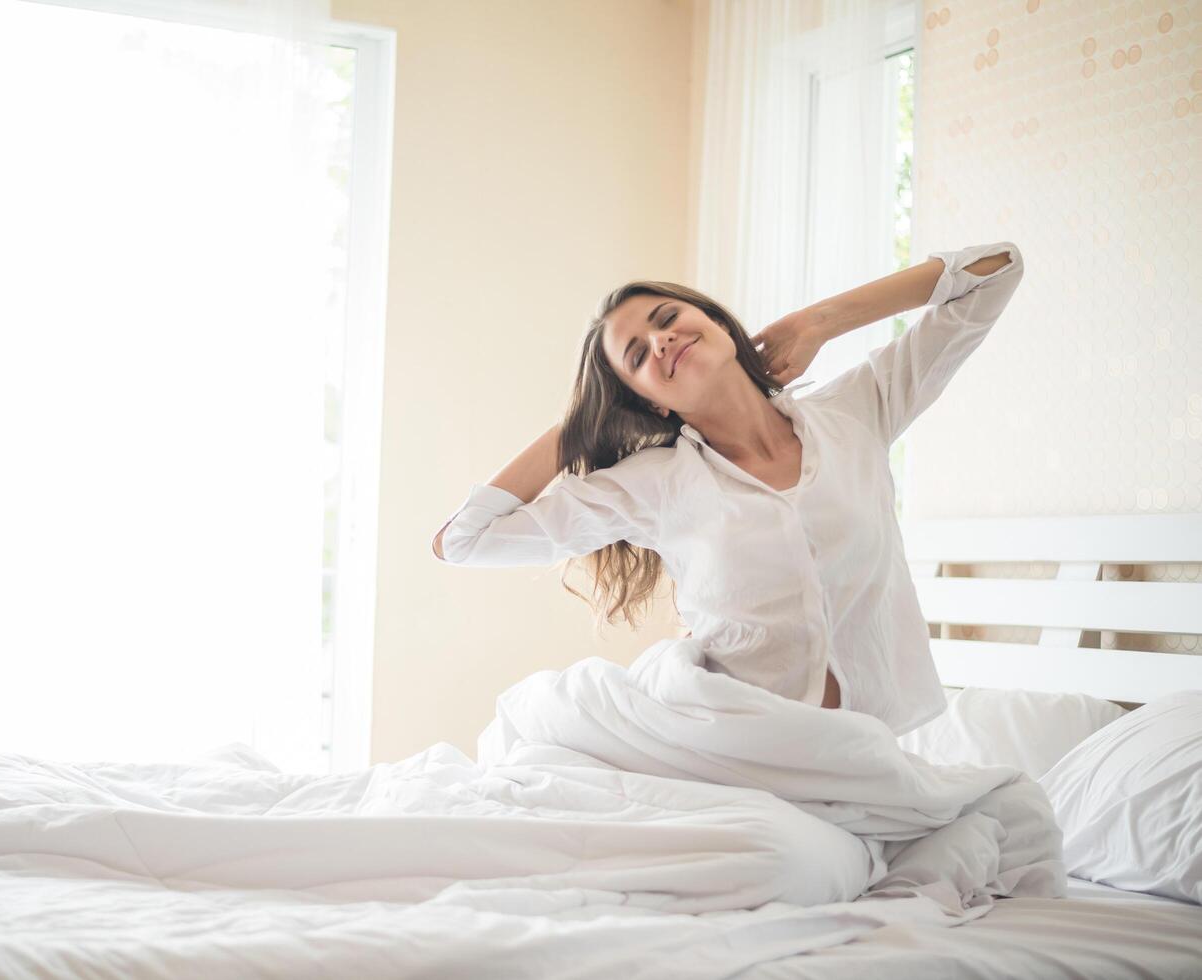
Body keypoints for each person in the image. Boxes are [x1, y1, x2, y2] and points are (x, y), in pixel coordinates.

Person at [431, 243, 1025, 737]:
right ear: (648, 402)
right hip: (731, 748)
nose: (660, 342)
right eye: (637, 355)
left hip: (875, 748)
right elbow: (464, 540)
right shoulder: (655, 485)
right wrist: (585, 420)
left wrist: (818, 321)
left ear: (715, 322)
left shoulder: (858, 410)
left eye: (667, 320)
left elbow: (996, 269)